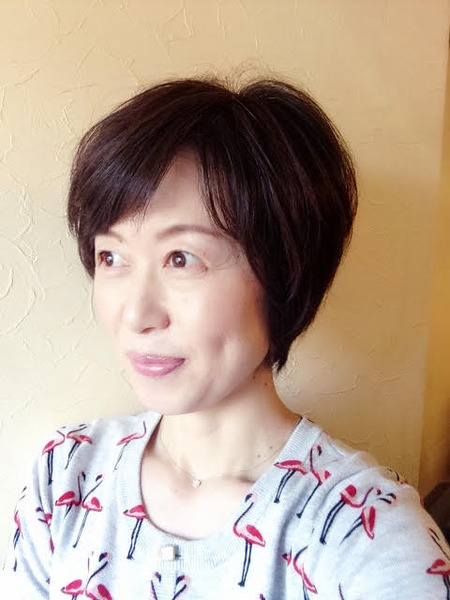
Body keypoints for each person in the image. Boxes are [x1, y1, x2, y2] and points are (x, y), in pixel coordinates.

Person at [2, 78, 449, 599]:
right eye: (112, 257)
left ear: (283, 275)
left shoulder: (366, 534)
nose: (136, 315)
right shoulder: (66, 475)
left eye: (181, 258)